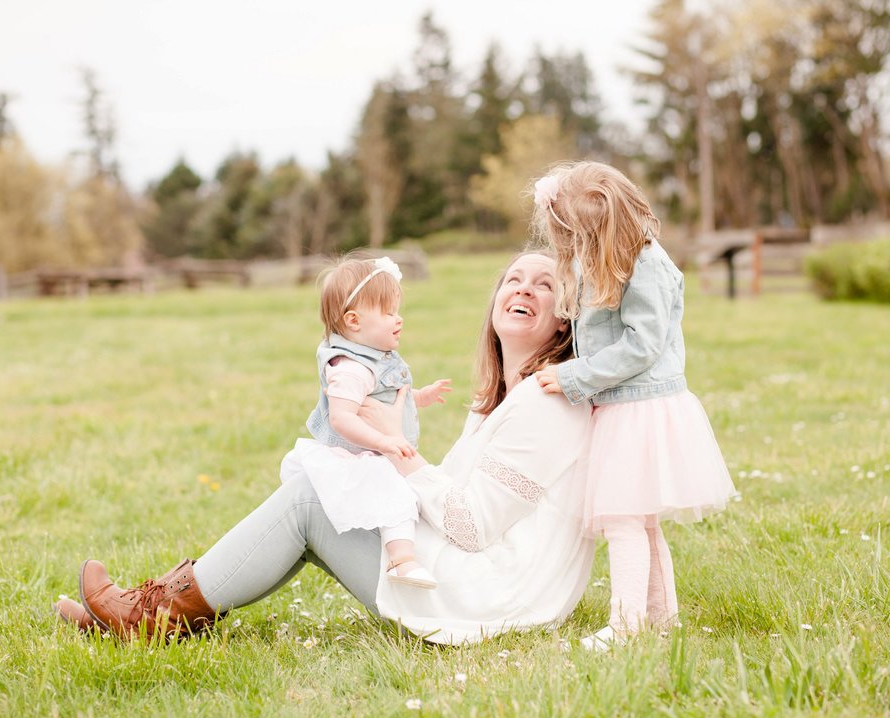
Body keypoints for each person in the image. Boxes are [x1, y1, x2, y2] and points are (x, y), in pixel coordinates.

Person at [56, 252, 596, 646]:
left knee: (310, 500)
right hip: (478, 580)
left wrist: (395, 451)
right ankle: (149, 618)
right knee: (319, 500)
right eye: (514, 279)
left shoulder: (548, 401)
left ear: (565, 317)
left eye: (545, 285)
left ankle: (144, 617)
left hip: (489, 596)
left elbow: (474, 526)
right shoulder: (506, 397)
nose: (524, 289)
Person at [532, 161, 737, 650]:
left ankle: (627, 625)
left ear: (610, 220)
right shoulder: (609, 256)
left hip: (641, 410)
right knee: (640, 521)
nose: (577, 244)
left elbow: (642, 345)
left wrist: (574, 377)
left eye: (582, 233)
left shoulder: (647, 263)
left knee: (624, 520)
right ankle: (662, 619)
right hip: (624, 407)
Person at [280, 255, 452, 589]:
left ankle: (400, 557)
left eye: (397, 310)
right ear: (354, 321)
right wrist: (384, 442)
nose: (399, 319)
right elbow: (342, 418)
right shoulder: (351, 369)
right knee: (398, 498)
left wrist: (420, 397)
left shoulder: (372, 362)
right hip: (359, 457)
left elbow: (384, 402)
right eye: (389, 312)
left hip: (374, 452)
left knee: (398, 497)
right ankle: (402, 562)